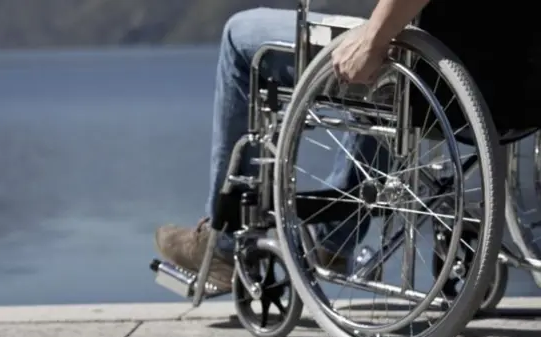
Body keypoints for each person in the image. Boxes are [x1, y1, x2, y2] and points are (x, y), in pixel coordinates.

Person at [154, 0, 534, 292]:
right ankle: (334, 238)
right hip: (510, 93)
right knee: (386, 80)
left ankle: (222, 244)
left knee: (241, 35)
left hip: (431, 73)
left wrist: (374, 38)